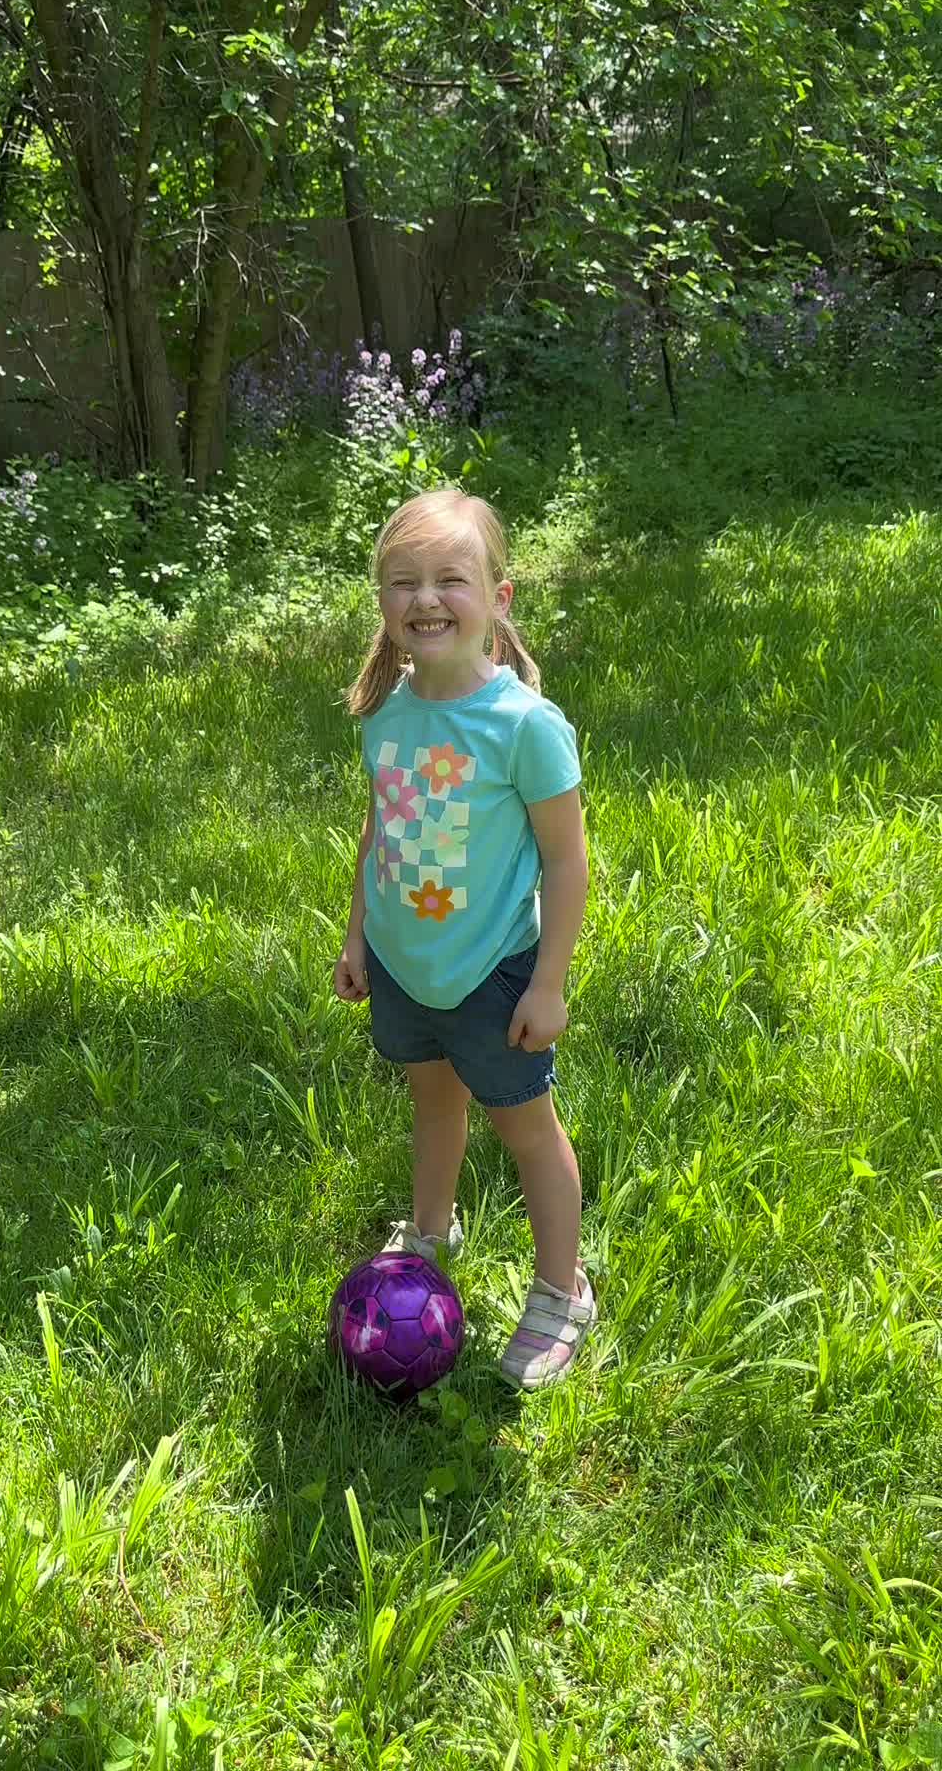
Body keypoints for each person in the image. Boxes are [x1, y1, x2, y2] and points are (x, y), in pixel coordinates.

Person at [333, 484, 596, 1390]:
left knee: (525, 1129)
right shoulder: (387, 714)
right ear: (382, 603)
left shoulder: (524, 727)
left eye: (451, 578)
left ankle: (563, 1293)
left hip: (492, 974)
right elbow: (380, 833)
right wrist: (359, 937)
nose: (426, 599)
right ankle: (429, 1237)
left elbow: (566, 863)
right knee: (433, 1105)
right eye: (402, 582)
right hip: (407, 971)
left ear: (499, 598)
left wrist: (549, 982)